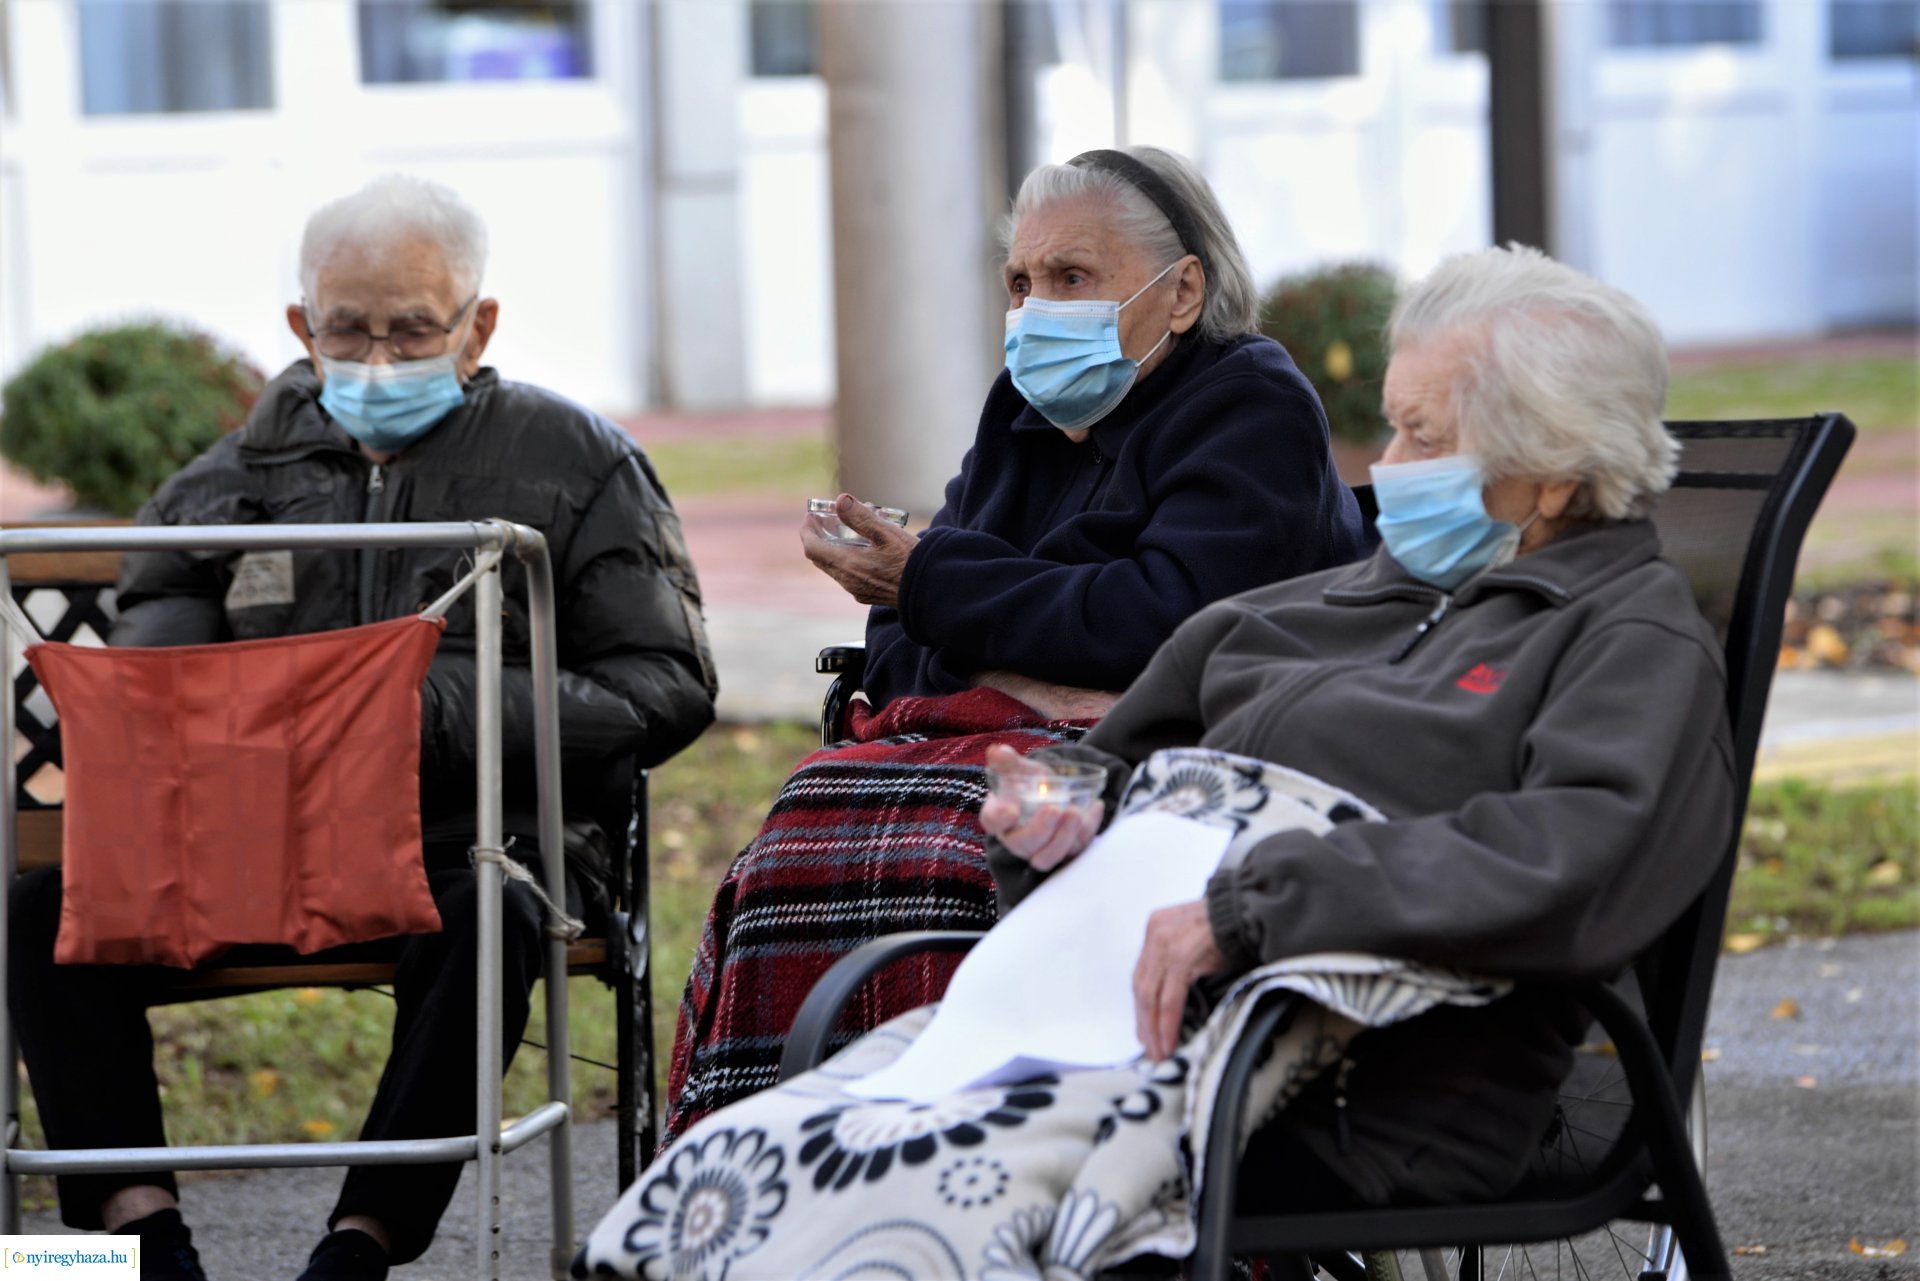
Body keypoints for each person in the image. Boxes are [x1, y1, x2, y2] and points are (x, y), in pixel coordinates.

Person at [576, 244, 1737, 1281]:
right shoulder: (1358, 598)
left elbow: (1571, 857)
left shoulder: (1626, 637)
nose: (1388, 468)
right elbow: (1123, 752)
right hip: (1139, 1025)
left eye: (1425, 437)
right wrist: (1053, 811)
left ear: (1554, 470)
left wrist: (1248, 906)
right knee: (758, 1164)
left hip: (1367, 1075)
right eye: (1392, 426)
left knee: (904, 1199)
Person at [8, 174, 718, 1281]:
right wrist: (253, 714)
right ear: (302, 325)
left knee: (491, 906)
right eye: (348, 329)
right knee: (36, 912)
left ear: (479, 325)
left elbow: (666, 684)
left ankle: (360, 1246)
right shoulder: (226, 484)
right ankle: (142, 1239)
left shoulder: (578, 462)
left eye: (414, 330)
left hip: (469, 838)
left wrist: (430, 710)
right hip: (258, 844)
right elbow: (156, 689)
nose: (379, 360)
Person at [665, 146, 1370, 1137]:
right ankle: (782, 1144)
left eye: (1072, 277)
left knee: (979, 840)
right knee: (797, 828)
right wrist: (1011, 641)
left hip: (1176, 769)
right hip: (1001, 751)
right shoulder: (1021, 409)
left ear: (1182, 293)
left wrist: (959, 601)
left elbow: (1162, 626)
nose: (1038, 308)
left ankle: (973, 1142)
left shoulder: (1251, 405)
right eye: (1022, 282)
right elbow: (902, 641)